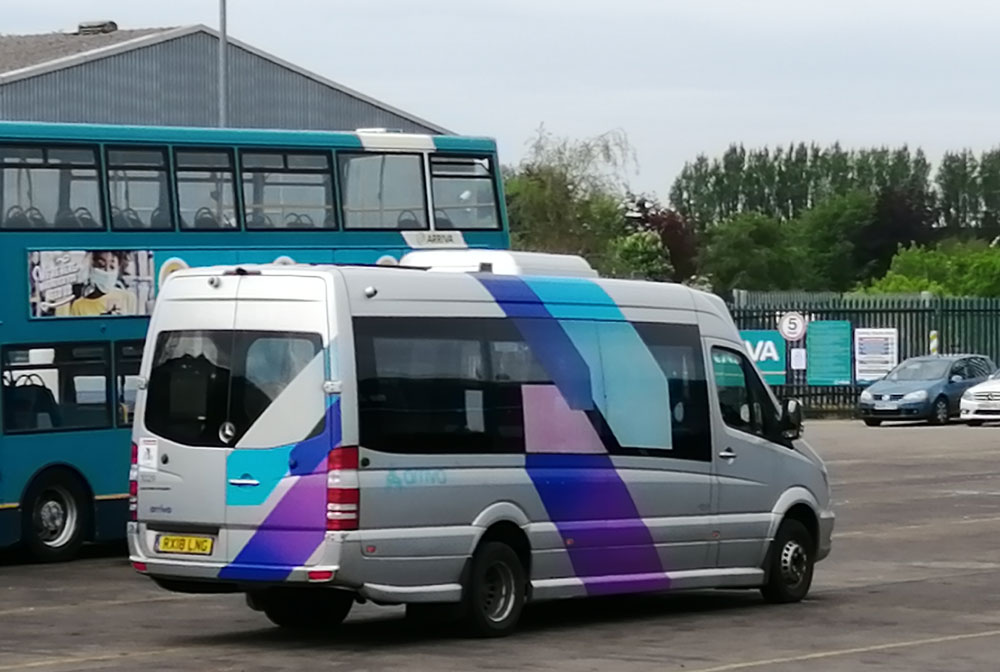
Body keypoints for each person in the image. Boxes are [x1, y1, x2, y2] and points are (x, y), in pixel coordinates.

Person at [68, 250, 137, 316]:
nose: (107, 271)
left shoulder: (128, 298)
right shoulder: (78, 306)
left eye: (112, 267)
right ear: (92, 267)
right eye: (101, 266)